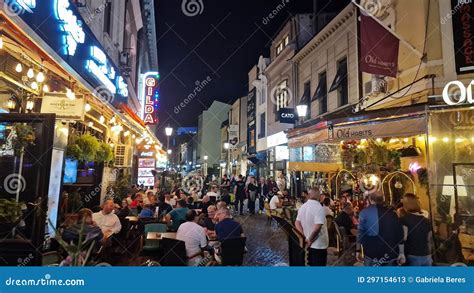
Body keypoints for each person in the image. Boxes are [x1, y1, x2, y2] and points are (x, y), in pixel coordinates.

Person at [356, 192, 405, 266]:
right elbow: (400, 234)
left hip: (371, 254)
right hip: (390, 254)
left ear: (370, 200)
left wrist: (358, 250)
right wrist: (401, 253)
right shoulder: (393, 214)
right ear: (383, 200)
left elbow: (360, 234)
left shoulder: (365, 213)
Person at [295, 188, 329, 266]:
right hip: (318, 244)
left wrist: (303, 236)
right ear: (319, 196)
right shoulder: (319, 208)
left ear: (309, 195)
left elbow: (297, 222)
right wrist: (310, 239)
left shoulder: (303, 206)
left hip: (309, 241)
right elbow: (317, 227)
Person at [399, 193, 432, 266]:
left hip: (412, 255)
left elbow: (403, 239)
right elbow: (429, 239)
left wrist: (401, 253)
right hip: (426, 255)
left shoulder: (404, 219)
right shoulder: (426, 220)